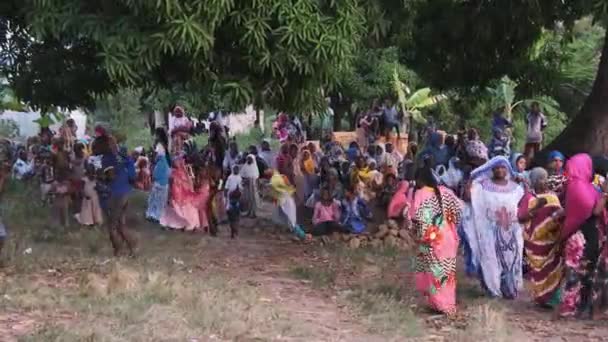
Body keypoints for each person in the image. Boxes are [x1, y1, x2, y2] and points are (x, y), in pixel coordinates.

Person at [462, 156, 525, 299]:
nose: (500, 170)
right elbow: (469, 198)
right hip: (490, 232)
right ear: (492, 169)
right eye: (497, 167)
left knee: (511, 259)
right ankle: (493, 288)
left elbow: (523, 206)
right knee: (491, 259)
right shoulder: (483, 186)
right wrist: (471, 180)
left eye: (503, 167)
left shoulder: (516, 188)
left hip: (511, 231)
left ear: (508, 169)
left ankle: (509, 288)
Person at [410, 157, 463, 315]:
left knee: (433, 273)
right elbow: (459, 211)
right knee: (447, 272)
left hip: (432, 239)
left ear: (420, 180)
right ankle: (447, 303)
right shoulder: (446, 191)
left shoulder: (420, 193)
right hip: (448, 237)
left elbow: (416, 218)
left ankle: (440, 304)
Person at [559, 153, 608, 319]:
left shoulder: (581, 187)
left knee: (579, 275)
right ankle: (577, 309)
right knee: (582, 274)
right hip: (585, 238)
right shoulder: (584, 189)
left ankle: (576, 308)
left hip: (580, 237)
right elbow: (594, 211)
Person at [517, 167, 564, 308]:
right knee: (539, 270)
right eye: (539, 179)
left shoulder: (553, 196)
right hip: (534, 242)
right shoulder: (528, 197)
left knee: (554, 270)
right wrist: (536, 208)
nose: (542, 182)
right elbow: (520, 217)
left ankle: (553, 300)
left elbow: (560, 217)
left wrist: (555, 218)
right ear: (533, 181)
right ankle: (541, 299)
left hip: (551, 242)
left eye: (544, 178)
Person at [101, 137, 137, 256]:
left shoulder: (107, 158)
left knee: (112, 226)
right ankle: (132, 250)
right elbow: (132, 177)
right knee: (121, 225)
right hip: (126, 192)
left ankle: (118, 252)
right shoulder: (124, 157)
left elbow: (110, 176)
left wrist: (101, 177)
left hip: (117, 194)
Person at [160, 156, 200, 232]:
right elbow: (169, 183)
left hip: (183, 195)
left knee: (184, 209)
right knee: (172, 209)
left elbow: (189, 183)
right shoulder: (173, 172)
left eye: (179, 161)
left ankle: (188, 224)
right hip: (176, 194)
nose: (178, 163)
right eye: (176, 162)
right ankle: (170, 224)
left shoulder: (184, 172)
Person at [146, 151, 171, 222]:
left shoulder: (158, 164)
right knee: (161, 201)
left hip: (157, 184)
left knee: (153, 200)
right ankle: (158, 216)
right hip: (164, 185)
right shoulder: (167, 165)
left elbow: (154, 175)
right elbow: (169, 175)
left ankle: (150, 214)